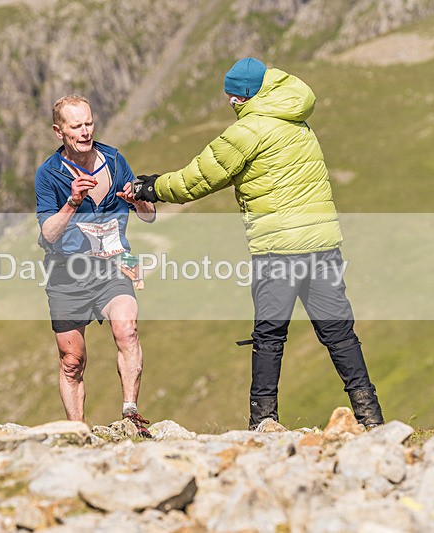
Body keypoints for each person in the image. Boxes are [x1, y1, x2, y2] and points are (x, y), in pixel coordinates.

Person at [133, 58, 384, 429]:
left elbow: (196, 179)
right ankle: (370, 417)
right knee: (339, 332)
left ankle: (263, 421)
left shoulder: (247, 132)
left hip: (278, 249)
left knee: (269, 335)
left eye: (231, 96)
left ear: (242, 96)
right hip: (322, 244)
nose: (229, 102)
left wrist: (151, 186)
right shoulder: (297, 120)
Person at [35, 94, 156, 437]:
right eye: (76, 126)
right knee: (72, 362)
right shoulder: (49, 174)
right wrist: (72, 201)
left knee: (127, 329)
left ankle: (130, 414)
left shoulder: (115, 162)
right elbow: (48, 232)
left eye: (89, 123)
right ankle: (78, 433)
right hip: (66, 275)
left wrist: (139, 202)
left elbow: (148, 217)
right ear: (59, 131)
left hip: (114, 266)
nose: (85, 131)